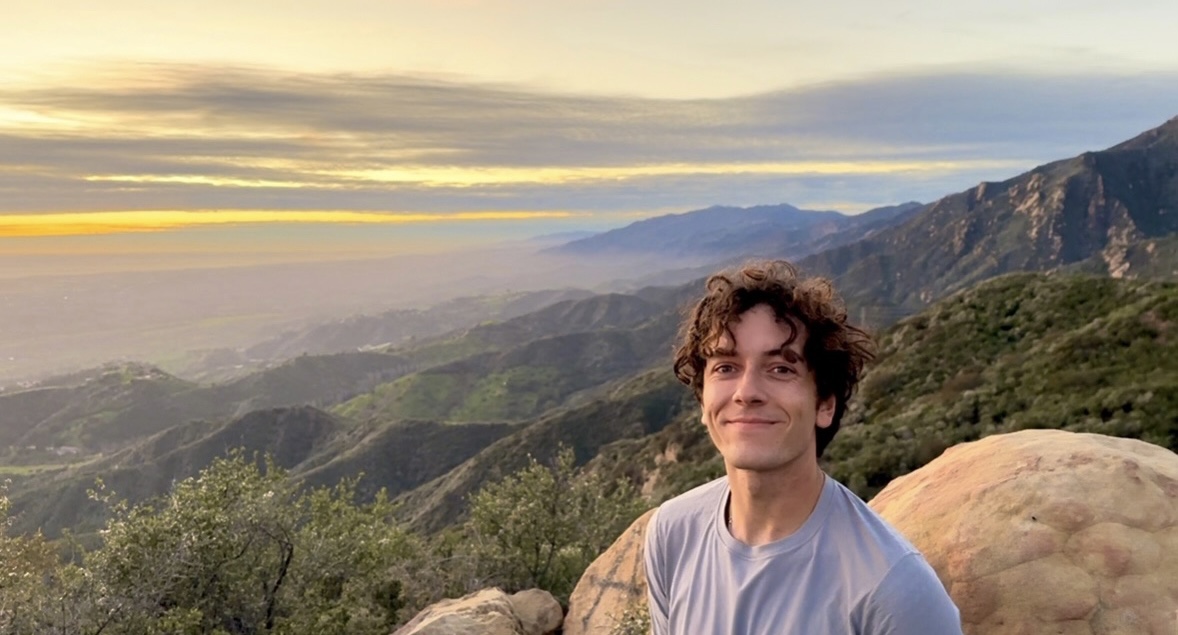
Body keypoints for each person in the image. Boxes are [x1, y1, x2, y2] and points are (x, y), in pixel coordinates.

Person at [643, 260, 962, 634]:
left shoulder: (892, 587)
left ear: (824, 403)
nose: (746, 393)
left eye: (781, 369)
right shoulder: (673, 534)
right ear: (702, 401)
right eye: (726, 367)